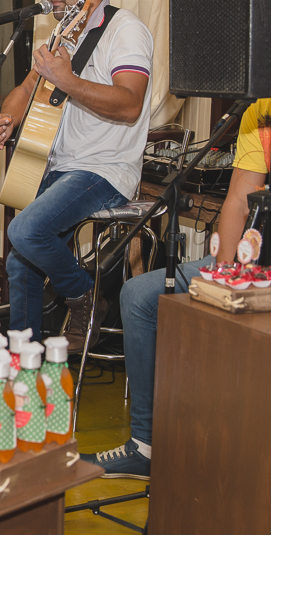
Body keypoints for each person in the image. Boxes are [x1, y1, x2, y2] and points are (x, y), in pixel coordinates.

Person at [82, 99, 271, 480]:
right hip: (257, 265)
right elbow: (238, 200)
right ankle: (146, 446)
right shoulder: (261, 107)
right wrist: (223, 277)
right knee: (140, 296)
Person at [0, 0, 153, 353]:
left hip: (104, 169)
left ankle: (85, 298)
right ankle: (21, 366)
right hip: (60, 164)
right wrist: (8, 118)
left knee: (25, 231)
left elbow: (130, 104)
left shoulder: (124, 29)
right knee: (20, 263)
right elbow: (26, 88)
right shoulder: (64, 32)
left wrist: (68, 81)